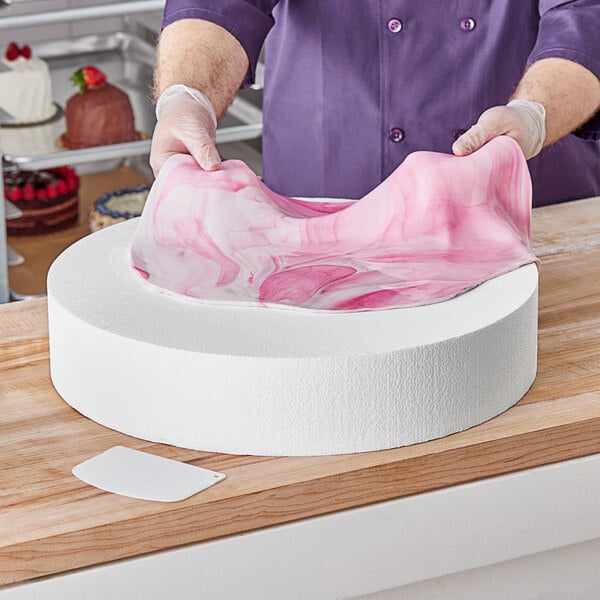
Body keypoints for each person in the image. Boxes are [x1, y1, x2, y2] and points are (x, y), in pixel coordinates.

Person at [150, 1, 600, 207]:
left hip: (528, 206)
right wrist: (187, 94)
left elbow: (585, 14)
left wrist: (534, 114)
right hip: (321, 205)